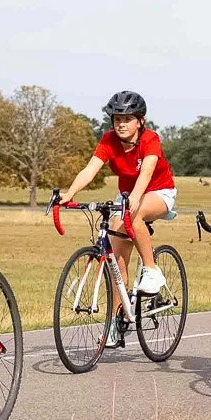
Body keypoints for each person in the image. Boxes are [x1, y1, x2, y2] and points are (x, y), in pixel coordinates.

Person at [56, 90, 176, 302]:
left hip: (158, 191)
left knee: (135, 213)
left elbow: (147, 172)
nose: (121, 124)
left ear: (140, 121)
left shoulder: (150, 139)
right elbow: (90, 170)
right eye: (117, 119)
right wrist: (70, 193)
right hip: (128, 196)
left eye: (128, 119)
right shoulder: (109, 140)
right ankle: (116, 322)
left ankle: (151, 269)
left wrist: (136, 198)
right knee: (117, 262)